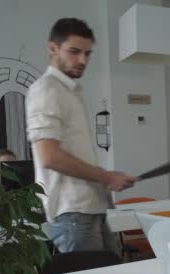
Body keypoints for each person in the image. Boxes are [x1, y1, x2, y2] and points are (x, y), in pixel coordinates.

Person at [26, 18, 138, 253]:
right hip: (72, 212)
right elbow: (49, 156)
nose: (83, 60)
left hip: (89, 207)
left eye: (88, 53)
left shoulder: (70, 90)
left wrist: (106, 180)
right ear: (53, 48)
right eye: (74, 52)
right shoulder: (47, 90)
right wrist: (106, 176)